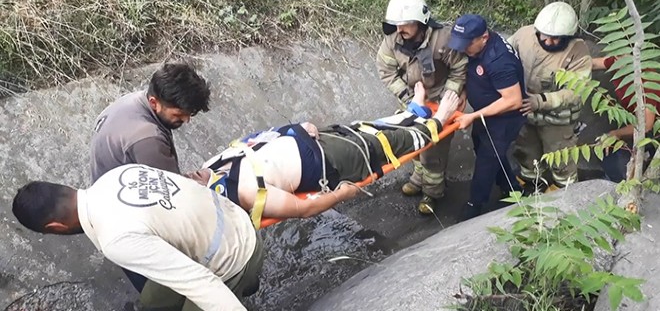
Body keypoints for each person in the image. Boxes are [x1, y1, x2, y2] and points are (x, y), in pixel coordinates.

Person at [189, 83, 460, 222]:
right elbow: (303, 209)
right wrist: (343, 193)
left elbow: (253, 141)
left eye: (187, 175)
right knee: (384, 144)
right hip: (328, 163)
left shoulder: (212, 165)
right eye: (191, 179)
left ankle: (413, 112)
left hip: (309, 137)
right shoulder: (247, 193)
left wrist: (291, 129)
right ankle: (436, 122)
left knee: (365, 128)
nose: (191, 174)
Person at [12, 164, 263, 311]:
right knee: (152, 302)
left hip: (236, 257)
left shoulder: (115, 238)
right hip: (233, 219)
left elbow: (200, 281)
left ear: (55, 227)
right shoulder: (117, 175)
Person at [89, 62, 211, 292]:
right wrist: (201, 186)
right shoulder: (147, 139)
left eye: (190, 114)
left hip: (112, 197)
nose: (186, 120)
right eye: (180, 114)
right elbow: (175, 200)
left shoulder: (133, 101)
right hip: (128, 222)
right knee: (162, 290)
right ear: (155, 103)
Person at [377, 0, 468, 214]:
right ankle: (418, 179)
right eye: (397, 24)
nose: (400, 29)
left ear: (420, 21)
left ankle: (432, 193)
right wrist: (410, 100)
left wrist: (450, 96)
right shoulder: (392, 42)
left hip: (440, 105)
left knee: (434, 154)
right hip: (411, 102)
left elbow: (459, 68)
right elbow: (386, 71)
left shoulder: (443, 40)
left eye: (405, 24)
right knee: (415, 146)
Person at [447, 14, 527, 220]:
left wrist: (473, 116)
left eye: (467, 44)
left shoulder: (500, 60)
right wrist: (464, 94)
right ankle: (512, 188)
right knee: (482, 148)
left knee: (486, 160)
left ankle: (475, 205)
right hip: (486, 114)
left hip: (505, 120)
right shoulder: (477, 49)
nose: (463, 49)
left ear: (483, 37)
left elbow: (513, 100)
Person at [507, 2, 592, 193]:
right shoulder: (524, 36)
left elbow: (577, 91)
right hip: (525, 111)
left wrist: (541, 101)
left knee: (561, 156)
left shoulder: (578, 51)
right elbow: (504, 54)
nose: (548, 42)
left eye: (556, 39)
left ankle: (563, 189)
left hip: (557, 119)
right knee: (526, 149)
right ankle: (529, 181)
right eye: (544, 36)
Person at [592, 56, 659, 182]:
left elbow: (647, 125)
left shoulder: (647, 82)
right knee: (603, 149)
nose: (618, 60)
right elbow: (594, 63)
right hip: (636, 124)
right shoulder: (618, 62)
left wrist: (616, 133)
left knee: (612, 157)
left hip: (653, 132)